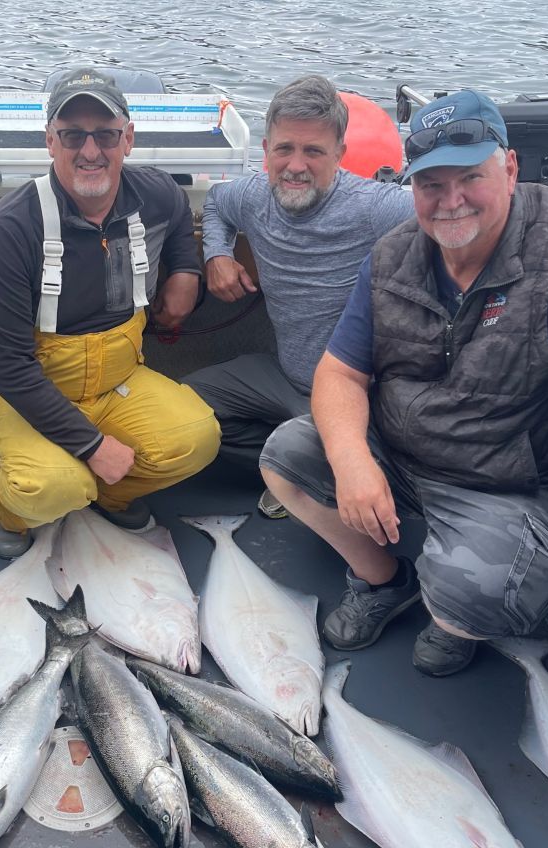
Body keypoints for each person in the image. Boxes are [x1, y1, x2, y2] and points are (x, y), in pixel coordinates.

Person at [260, 89, 548, 676]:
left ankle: (453, 618)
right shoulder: (392, 256)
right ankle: (383, 580)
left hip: (504, 483)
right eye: (432, 184)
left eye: (470, 177)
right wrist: (353, 458)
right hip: (400, 451)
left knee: (476, 591)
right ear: (412, 187)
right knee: (286, 457)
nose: (451, 201)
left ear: (509, 168)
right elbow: (340, 372)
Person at [0, 68, 220, 558]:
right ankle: (11, 505)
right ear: (49, 141)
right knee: (51, 488)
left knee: (198, 438)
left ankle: (111, 493)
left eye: (105, 134)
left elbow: (176, 223)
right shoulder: (9, 228)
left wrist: (187, 270)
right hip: (28, 383)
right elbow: (8, 366)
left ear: (127, 139)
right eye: (72, 135)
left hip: (117, 377)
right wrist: (91, 446)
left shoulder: (157, 193)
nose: (90, 151)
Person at [184, 75, 413, 519]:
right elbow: (215, 203)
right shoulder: (253, 195)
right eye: (285, 149)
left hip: (355, 396)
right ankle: (289, 466)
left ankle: (298, 466)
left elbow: (450, 214)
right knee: (185, 407)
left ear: (340, 156)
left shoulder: (375, 207)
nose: (295, 165)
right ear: (266, 149)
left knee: (368, 465)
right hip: (285, 376)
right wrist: (216, 255)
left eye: (314, 151)